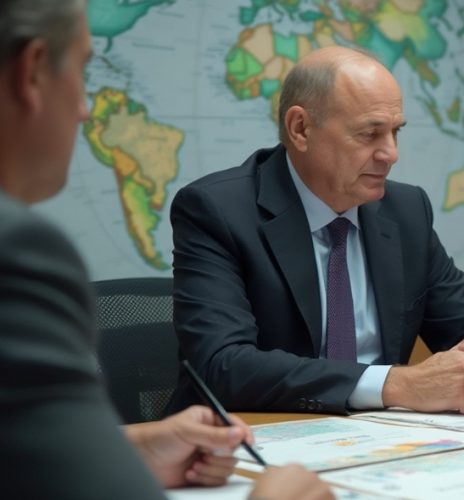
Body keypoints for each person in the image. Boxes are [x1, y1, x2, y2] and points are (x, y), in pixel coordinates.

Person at [0, 1, 330, 498]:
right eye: (84, 70)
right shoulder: (18, 251)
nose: (86, 108)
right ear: (31, 73)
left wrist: (132, 446)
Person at [166, 46, 464, 415]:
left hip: (378, 441)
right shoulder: (218, 211)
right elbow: (223, 365)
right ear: (301, 129)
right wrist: (396, 384)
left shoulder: (406, 211)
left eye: (395, 132)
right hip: (252, 438)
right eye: (369, 134)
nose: (390, 153)